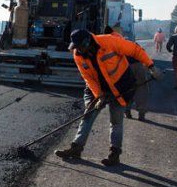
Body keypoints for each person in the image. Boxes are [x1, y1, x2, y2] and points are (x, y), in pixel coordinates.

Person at [54, 29, 162, 166]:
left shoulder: (109, 41)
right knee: (88, 115)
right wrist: (99, 96)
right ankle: (76, 148)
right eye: (76, 47)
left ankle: (114, 154)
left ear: (87, 42)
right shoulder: (78, 55)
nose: (78, 50)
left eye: (80, 46)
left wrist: (151, 67)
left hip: (121, 85)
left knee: (116, 120)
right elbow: (87, 77)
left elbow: (135, 50)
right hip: (98, 87)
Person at [104, 26, 150, 121]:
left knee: (127, 89)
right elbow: (141, 52)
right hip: (139, 65)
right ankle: (141, 113)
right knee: (141, 88)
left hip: (127, 66)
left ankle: (127, 110)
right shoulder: (128, 41)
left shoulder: (109, 44)